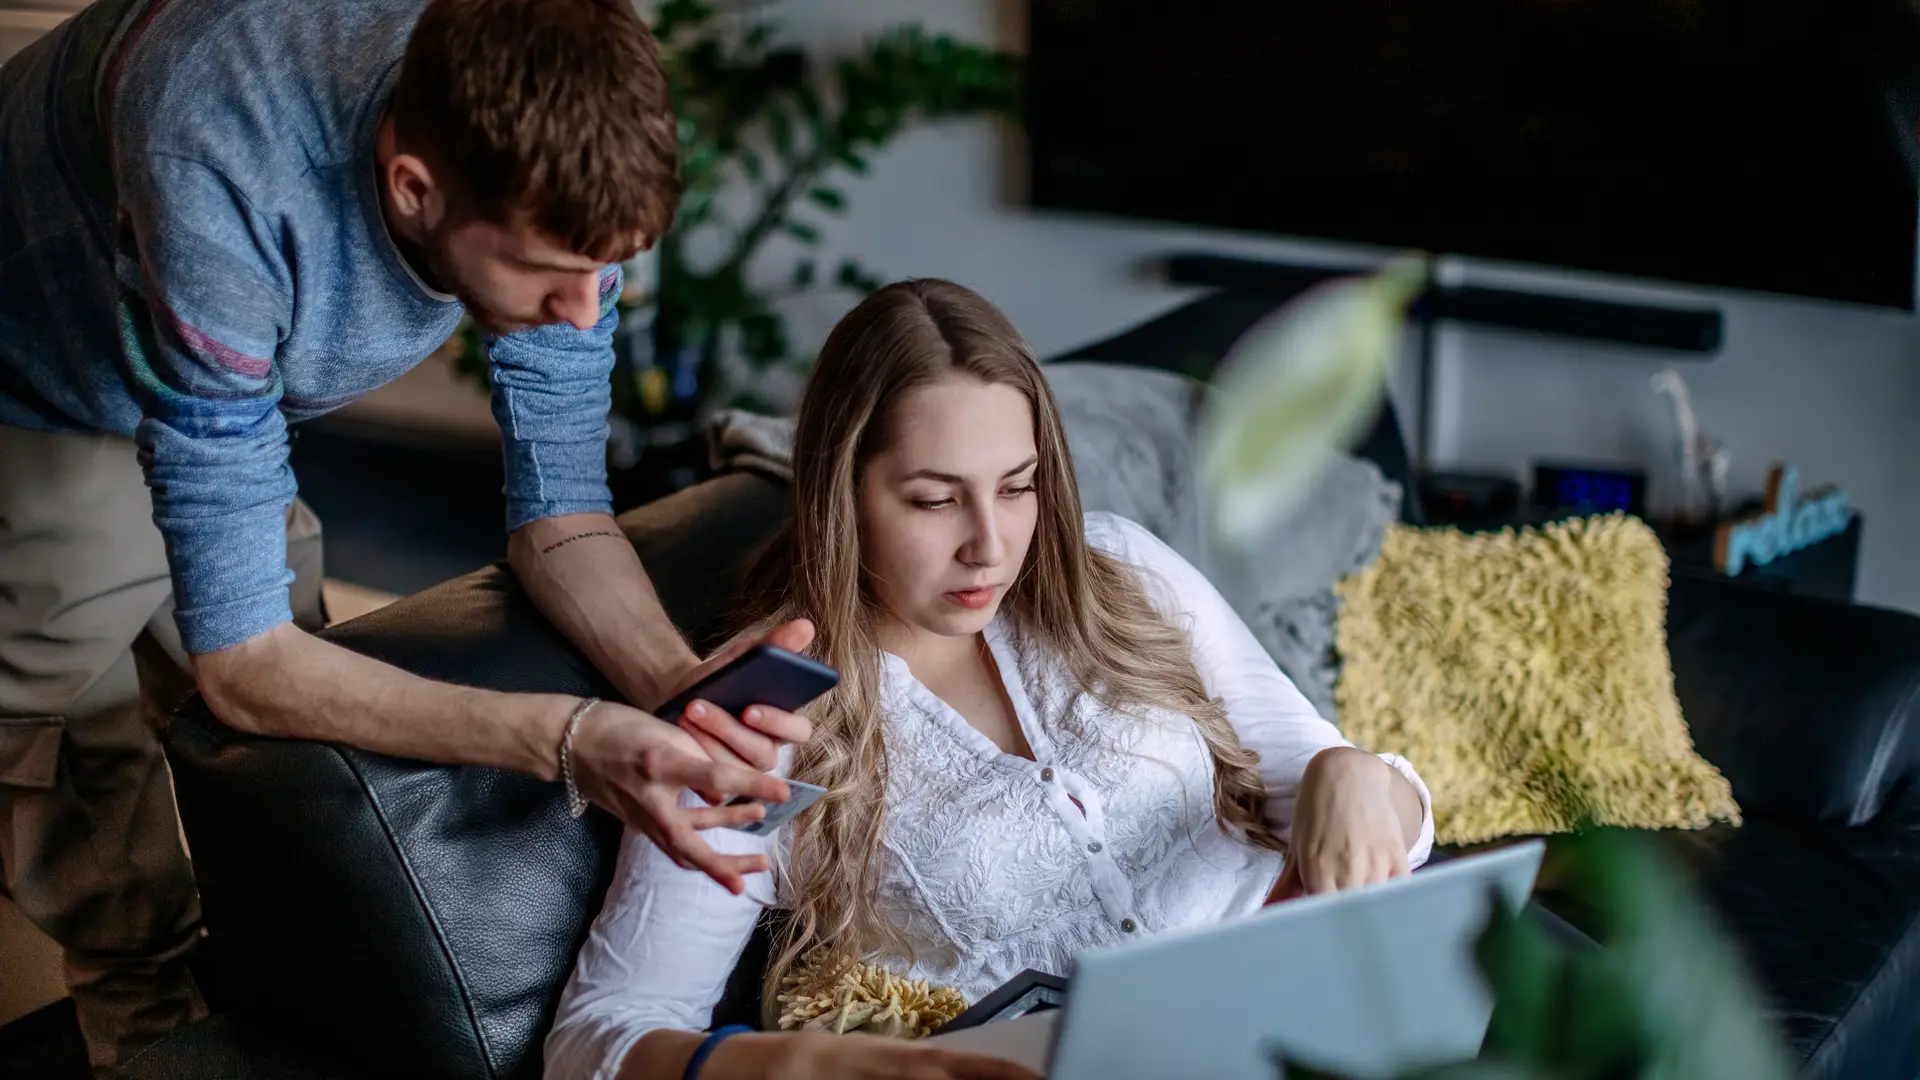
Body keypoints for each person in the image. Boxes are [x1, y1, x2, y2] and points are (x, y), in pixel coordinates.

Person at [0, 0, 806, 1072]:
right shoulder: (219, 161)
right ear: (413, 185)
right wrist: (571, 739)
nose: (582, 311)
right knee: (87, 751)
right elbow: (246, 667)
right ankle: (136, 1031)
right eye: (545, 275)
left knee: (274, 741)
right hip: (36, 368)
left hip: (222, 363)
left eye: (607, 272)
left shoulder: (559, 163)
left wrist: (678, 691)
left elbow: (561, 516)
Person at [543, 279, 1435, 1080]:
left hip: (1322, 1015)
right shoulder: (760, 717)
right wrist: (802, 1065)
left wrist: (1355, 776)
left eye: (1017, 487)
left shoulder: (1120, 570)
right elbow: (599, 1038)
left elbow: (1375, 826)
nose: (992, 545)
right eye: (935, 499)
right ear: (840, 493)